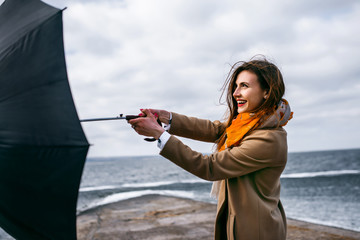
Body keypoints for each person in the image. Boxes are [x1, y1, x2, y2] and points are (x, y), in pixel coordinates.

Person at [128, 57, 293, 240]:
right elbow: (215, 130)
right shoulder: (246, 126)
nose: (236, 93)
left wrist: (160, 134)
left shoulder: (268, 139)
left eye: (244, 86)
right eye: (236, 86)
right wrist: (167, 118)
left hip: (257, 232)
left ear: (267, 92)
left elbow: (210, 167)